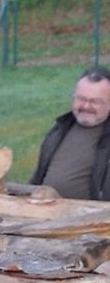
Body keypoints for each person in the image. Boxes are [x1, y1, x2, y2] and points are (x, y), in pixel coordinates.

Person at [30, 67, 110, 201]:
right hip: (45, 213)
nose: (86, 106)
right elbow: (39, 176)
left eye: (95, 101)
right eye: (81, 99)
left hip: (90, 219)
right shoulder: (60, 129)